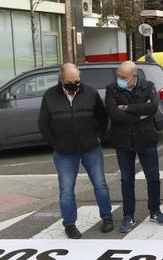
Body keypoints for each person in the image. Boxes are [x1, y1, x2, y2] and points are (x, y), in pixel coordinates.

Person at [38, 63, 112, 239]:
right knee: (66, 190)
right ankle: (69, 224)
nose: (74, 84)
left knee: (100, 184)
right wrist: (55, 143)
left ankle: (107, 218)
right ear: (62, 79)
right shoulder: (50, 95)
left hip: (91, 148)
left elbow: (102, 117)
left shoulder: (90, 93)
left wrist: (99, 137)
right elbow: (43, 123)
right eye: (70, 81)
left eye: (77, 80)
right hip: (64, 152)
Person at [105, 61, 163, 233]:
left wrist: (126, 107)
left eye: (123, 77)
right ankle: (128, 215)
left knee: (153, 177)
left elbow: (153, 107)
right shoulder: (112, 89)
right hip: (123, 141)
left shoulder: (147, 86)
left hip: (146, 139)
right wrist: (138, 115)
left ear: (134, 76)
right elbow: (112, 113)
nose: (119, 79)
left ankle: (155, 211)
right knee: (127, 180)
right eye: (118, 75)